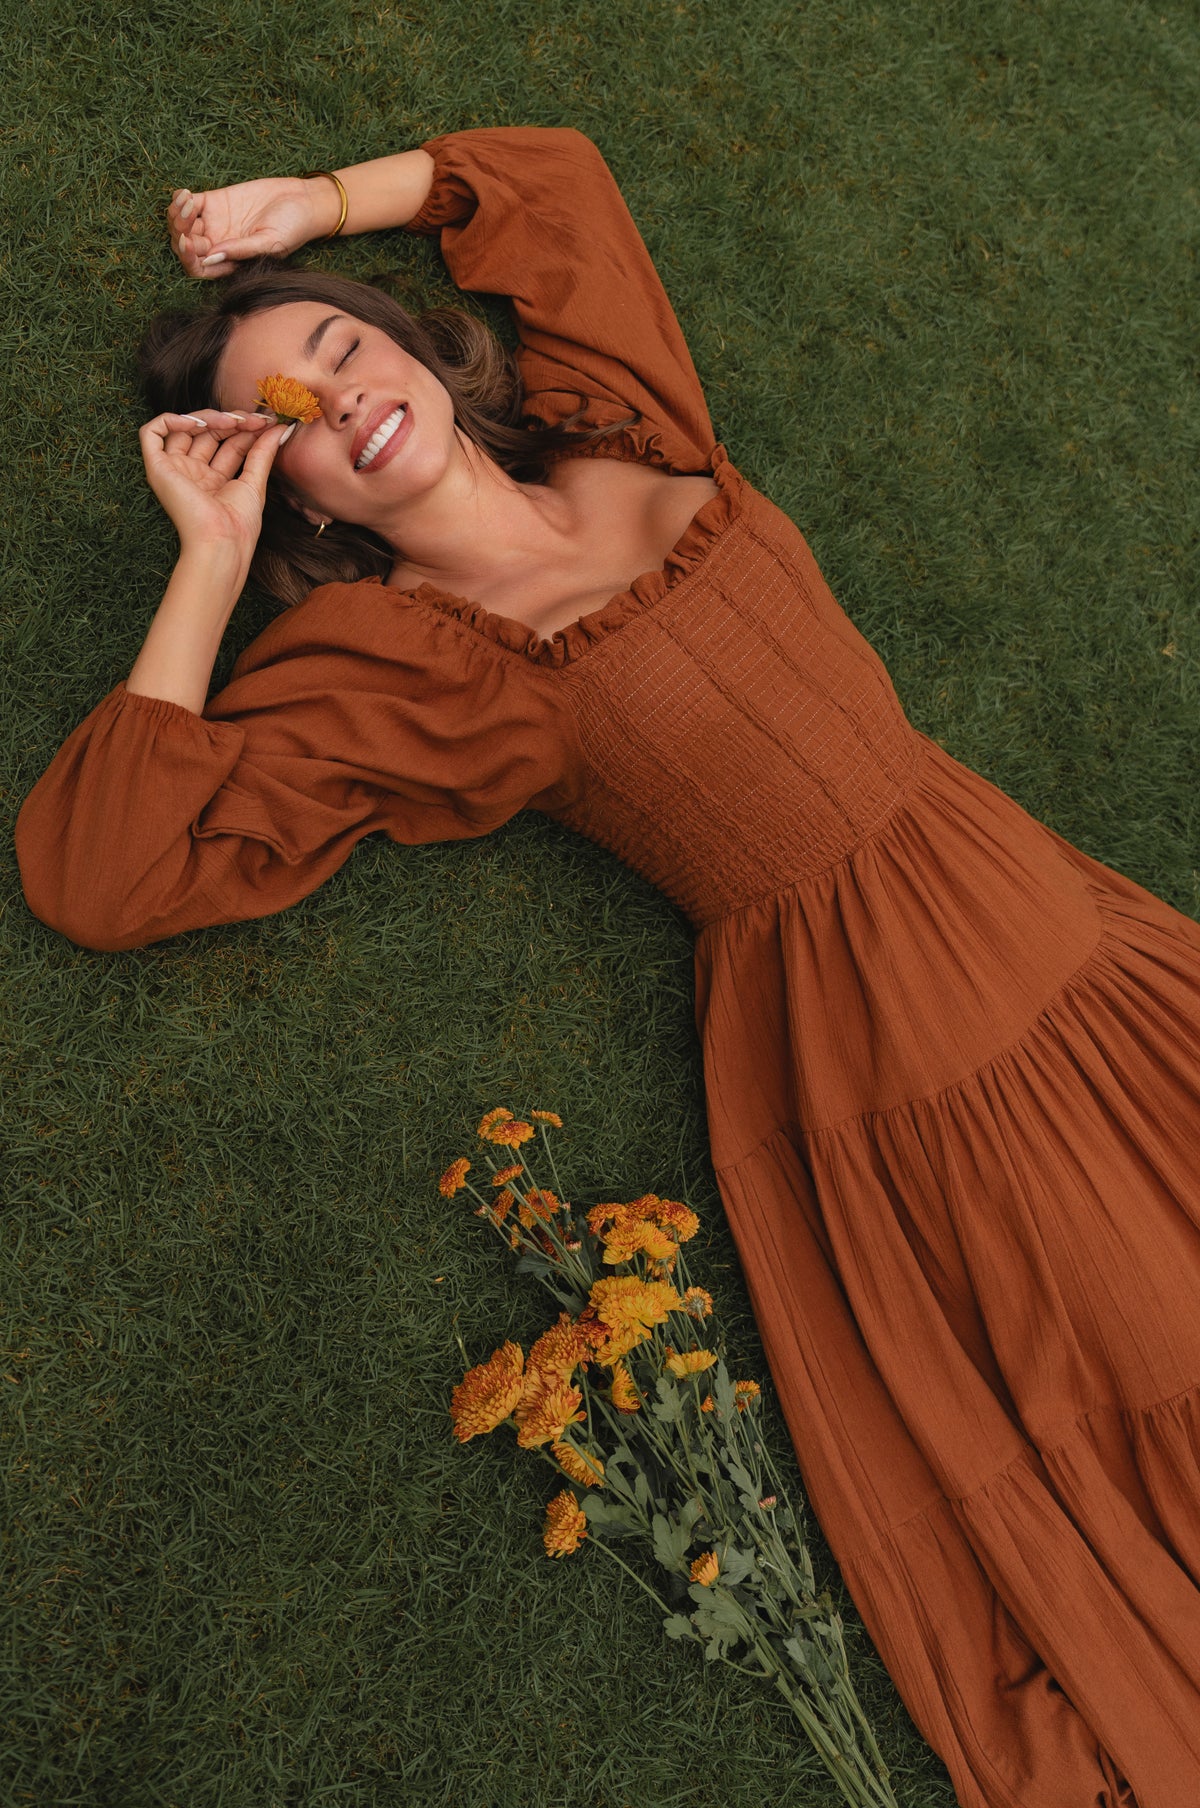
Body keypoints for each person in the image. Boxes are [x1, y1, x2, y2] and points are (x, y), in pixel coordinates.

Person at [15, 128, 1200, 1808]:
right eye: (288, 426)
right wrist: (205, 568)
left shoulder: (624, 427)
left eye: (343, 345)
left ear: (420, 345)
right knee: (1128, 1330)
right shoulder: (414, 661)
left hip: (1026, 900)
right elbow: (103, 870)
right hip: (876, 1026)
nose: (339, 403)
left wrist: (316, 209)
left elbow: (553, 186)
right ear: (300, 501)